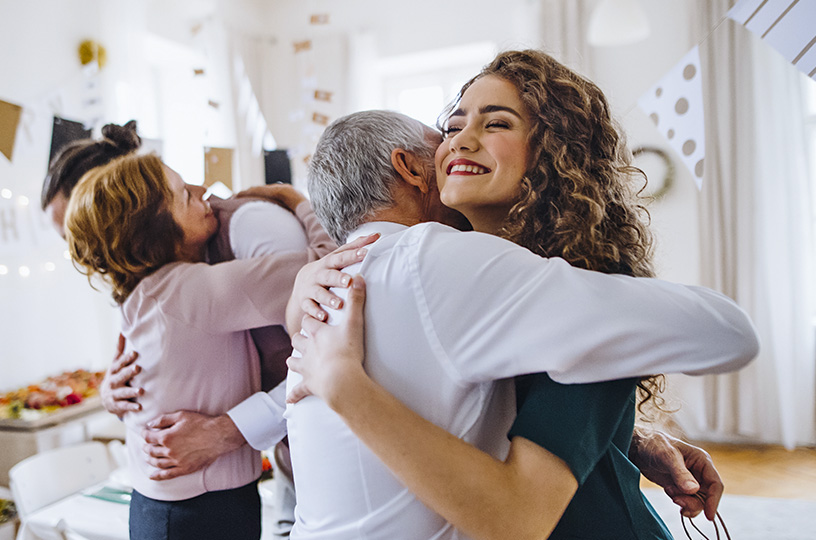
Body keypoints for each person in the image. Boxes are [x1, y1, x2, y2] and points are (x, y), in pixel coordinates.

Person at [283, 52, 758, 540]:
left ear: (552, 151)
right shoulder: (457, 275)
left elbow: (522, 506)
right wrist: (628, 440)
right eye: (449, 128)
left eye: (497, 123)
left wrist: (342, 383)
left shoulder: (565, 282)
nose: (460, 141)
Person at [41, 122, 329, 538]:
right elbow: (322, 267)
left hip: (172, 504)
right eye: (183, 195)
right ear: (152, 227)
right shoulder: (192, 290)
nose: (204, 190)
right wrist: (297, 201)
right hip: (202, 510)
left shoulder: (142, 290)